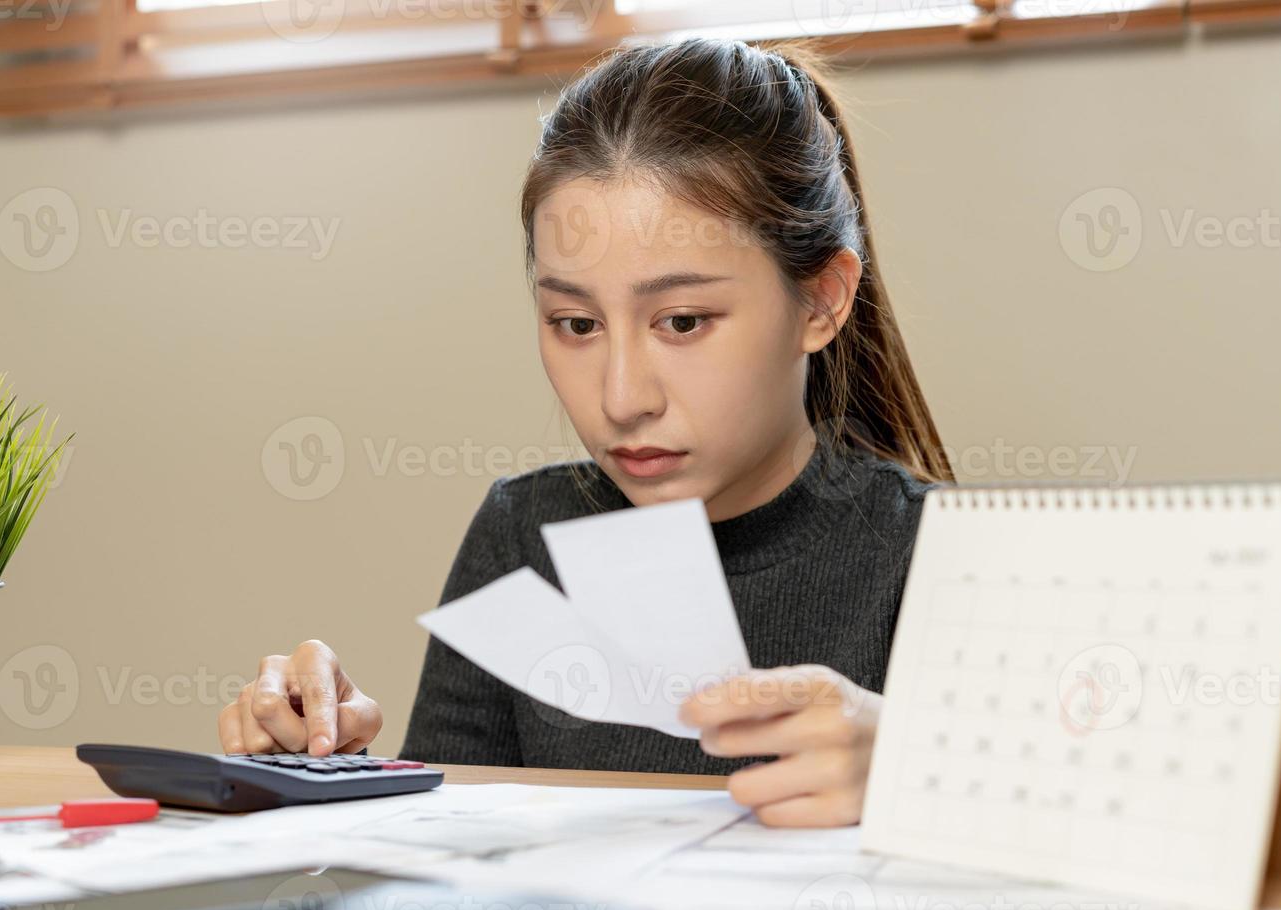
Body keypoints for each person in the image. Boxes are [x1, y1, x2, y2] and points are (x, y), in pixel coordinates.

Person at [218, 37, 954, 828]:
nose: (620, 397)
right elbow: (449, 865)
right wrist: (319, 768)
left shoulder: (935, 555)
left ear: (820, 302)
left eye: (681, 321)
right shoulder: (524, 537)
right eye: (575, 323)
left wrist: (933, 770)